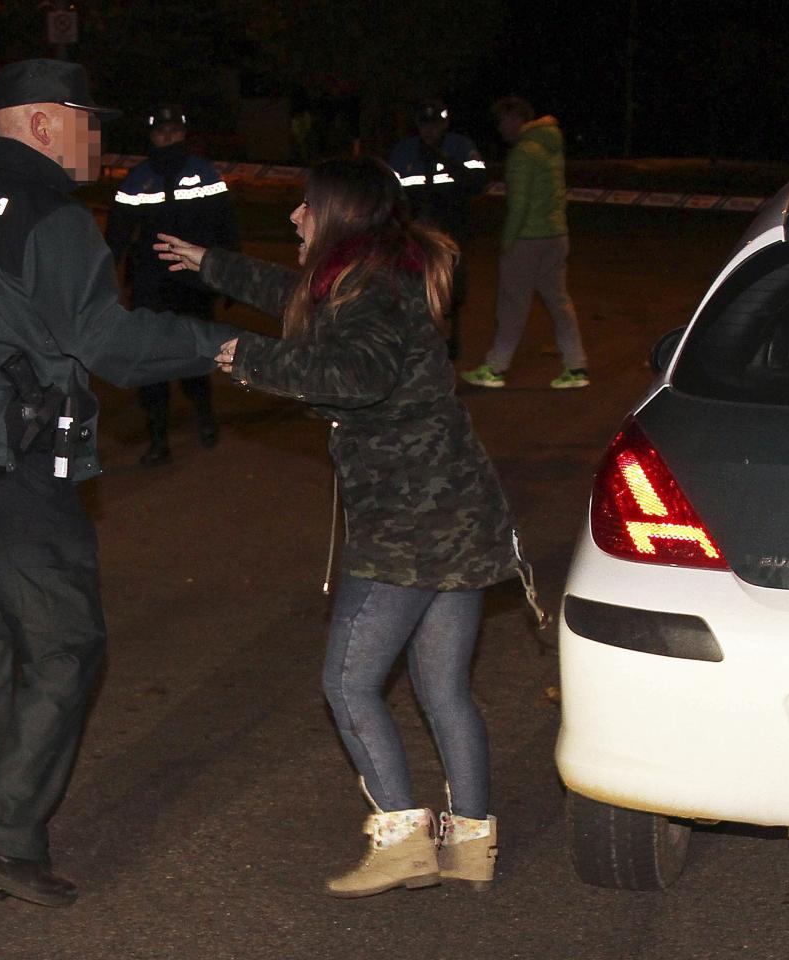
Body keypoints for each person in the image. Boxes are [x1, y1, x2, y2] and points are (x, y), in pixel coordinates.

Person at [0, 59, 242, 908]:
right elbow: (111, 343)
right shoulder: (50, 218)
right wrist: (222, 347)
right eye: (85, 120)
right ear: (40, 123)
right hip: (0, 465)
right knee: (66, 646)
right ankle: (1, 841)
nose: (98, 138)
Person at [156, 156, 526, 898]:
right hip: (457, 510)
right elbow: (301, 300)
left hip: (408, 522)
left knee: (349, 683)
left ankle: (402, 840)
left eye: (305, 206)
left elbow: (360, 374)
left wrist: (248, 357)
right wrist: (212, 266)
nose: (295, 217)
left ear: (341, 217)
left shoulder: (373, 292)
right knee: (442, 687)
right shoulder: (374, 278)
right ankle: (473, 841)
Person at [105, 104, 239, 465]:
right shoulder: (137, 178)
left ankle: (205, 416)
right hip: (151, 282)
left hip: (193, 283)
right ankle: (158, 440)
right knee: (151, 360)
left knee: (195, 353)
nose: (168, 138)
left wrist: (230, 280)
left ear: (184, 134)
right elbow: (116, 234)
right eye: (161, 132)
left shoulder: (205, 173)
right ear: (151, 136)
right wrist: (105, 281)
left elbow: (225, 227)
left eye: (174, 132)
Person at [461, 96, 588, 390]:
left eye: (502, 121)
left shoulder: (523, 152)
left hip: (527, 239)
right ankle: (576, 366)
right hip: (556, 235)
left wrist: (507, 241)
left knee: (511, 304)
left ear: (515, 119)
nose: (500, 128)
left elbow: (518, 204)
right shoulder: (551, 146)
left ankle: (495, 368)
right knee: (559, 302)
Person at [388, 99, 487, 359]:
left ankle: (450, 340)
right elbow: (390, 193)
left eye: (435, 124)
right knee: (413, 288)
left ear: (445, 124)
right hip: (415, 231)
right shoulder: (404, 151)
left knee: (451, 287)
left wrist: (447, 162)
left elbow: (478, 182)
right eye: (424, 124)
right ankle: (416, 343)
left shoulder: (460, 146)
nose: (429, 130)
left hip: (452, 230)